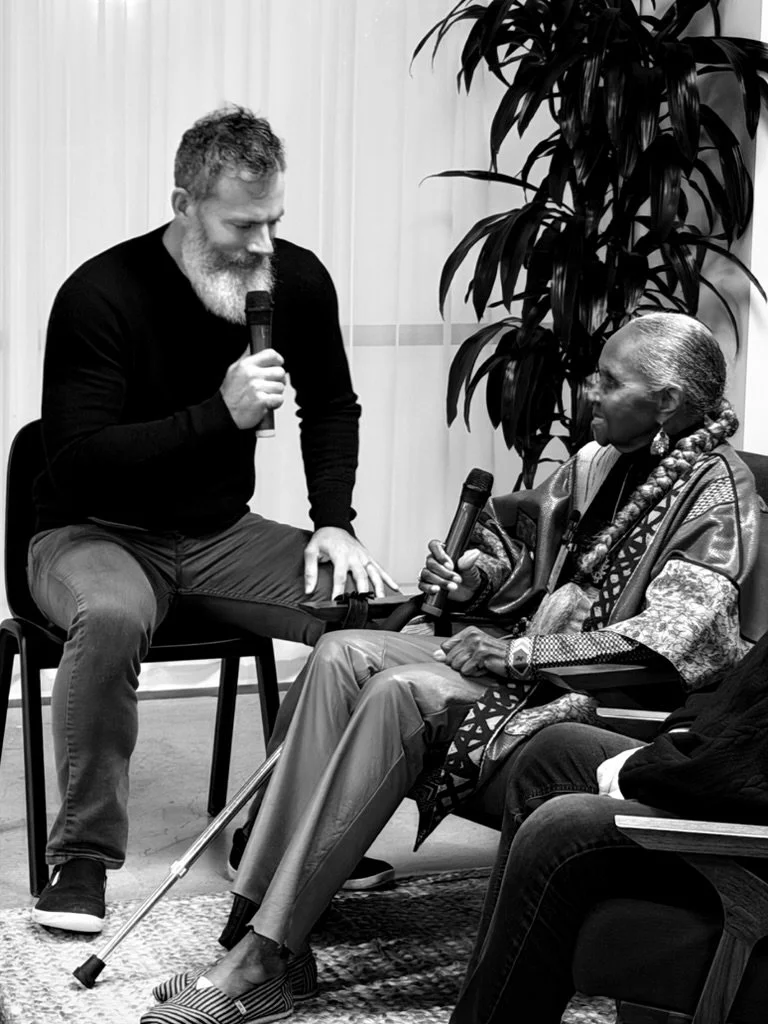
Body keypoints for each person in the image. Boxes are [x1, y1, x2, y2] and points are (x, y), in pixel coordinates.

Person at [143, 311, 766, 1024]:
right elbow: (522, 560)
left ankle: (260, 955)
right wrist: (473, 581)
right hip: (528, 665)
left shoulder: (720, 495)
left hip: (597, 705)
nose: (589, 391)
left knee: (403, 692)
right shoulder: (597, 462)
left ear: (670, 404)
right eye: (594, 373)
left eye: (611, 382)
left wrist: (523, 651)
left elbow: (672, 646)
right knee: (342, 652)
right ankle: (261, 930)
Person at [27, 105, 398, 935]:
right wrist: (216, 416)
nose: (262, 244)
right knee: (114, 618)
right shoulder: (101, 293)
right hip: (93, 531)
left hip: (220, 534)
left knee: (370, 610)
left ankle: (282, 829)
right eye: (241, 224)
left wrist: (334, 522)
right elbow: (75, 457)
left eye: (273, 220)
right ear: (183, 202)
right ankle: (82, 860)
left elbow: (332, 407)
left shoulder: (293, 280)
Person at [450, 624, 768, 1024]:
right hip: (723, 768)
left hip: (749, 823)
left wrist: (646, 770)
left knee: (564, 828)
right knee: (556, 752)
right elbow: (738, 688)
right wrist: (673, 742)